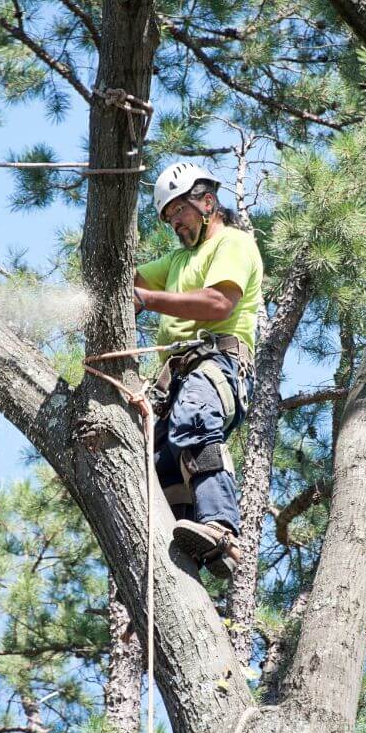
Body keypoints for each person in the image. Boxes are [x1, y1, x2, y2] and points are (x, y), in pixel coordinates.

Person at [134, 162, 264, 579]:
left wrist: (148, 300)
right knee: (158, 462)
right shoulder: (175, 261)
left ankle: (221, 527)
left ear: (207, 202)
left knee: (194, 421)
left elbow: (218, 304)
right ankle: (183, 548)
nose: (174, 223)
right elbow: (128, 282)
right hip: (174, 382)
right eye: (169, 217)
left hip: (217, 363)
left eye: (179, 212)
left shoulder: (233, 243)